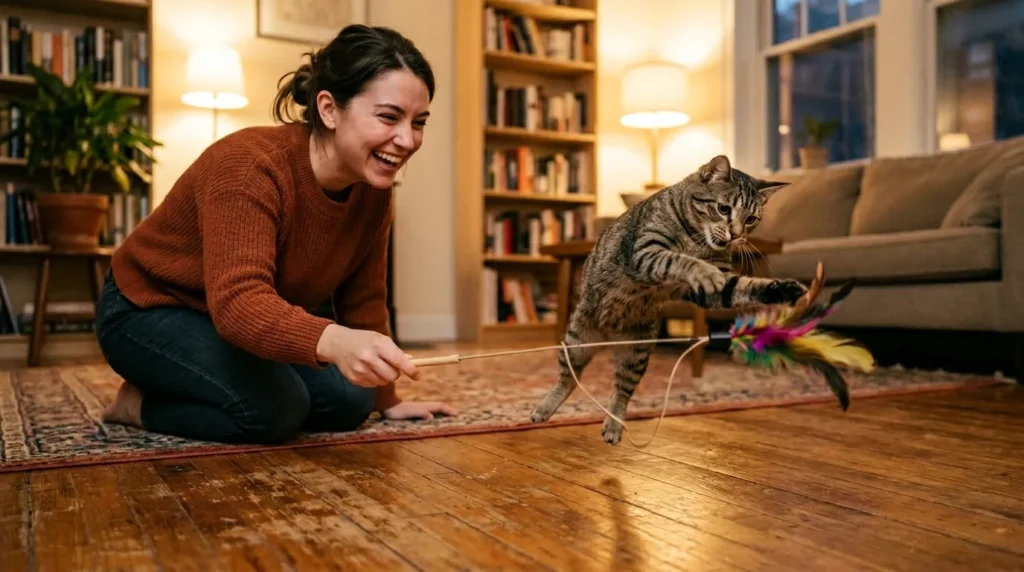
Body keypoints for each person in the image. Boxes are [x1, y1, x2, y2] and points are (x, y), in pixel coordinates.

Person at [95, 24, 457, 445]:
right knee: (273, 411)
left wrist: (387, 398)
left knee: (352, 400)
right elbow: (238, 302)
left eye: (419, 122)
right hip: (146, 309)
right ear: (329, 109)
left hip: (230, 323)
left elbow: (364, 298)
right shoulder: (249, 166)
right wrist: (332, 340)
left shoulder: (373, 191)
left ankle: (214, 382)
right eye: (389, 117)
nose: (407, 139)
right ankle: (136, 405)